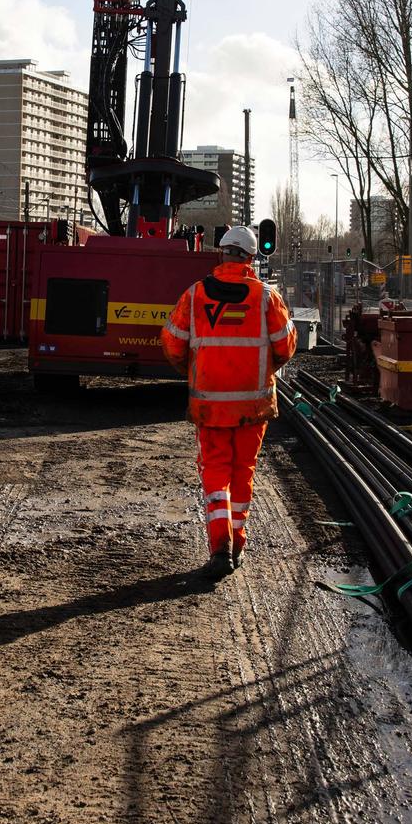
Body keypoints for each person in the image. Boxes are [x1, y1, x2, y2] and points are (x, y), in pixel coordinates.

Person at [161, 226, 297, 580]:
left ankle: (219, 546)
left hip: (209, 405)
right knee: (243, 472)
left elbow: (173, 344)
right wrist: (262, 369)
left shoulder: (193, 296)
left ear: (221, 253)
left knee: (215, 471)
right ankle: (237, 543)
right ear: (252, 258)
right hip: (253, 407)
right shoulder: (267, 297)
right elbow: (285, 346)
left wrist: (196, 370)